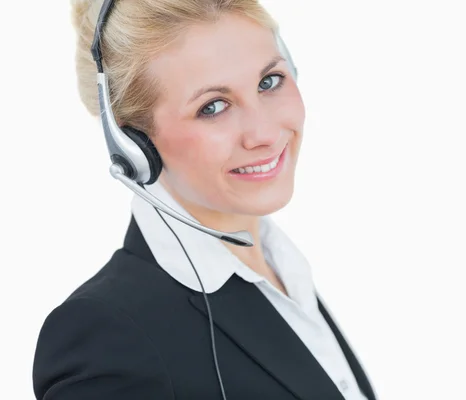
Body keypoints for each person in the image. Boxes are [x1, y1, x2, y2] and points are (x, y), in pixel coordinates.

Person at [32, 0, 377, 399]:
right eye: (213, 107)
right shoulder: (107, 336)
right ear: (132, 145)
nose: (263, 132)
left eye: (269, 81)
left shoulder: (284, 273)